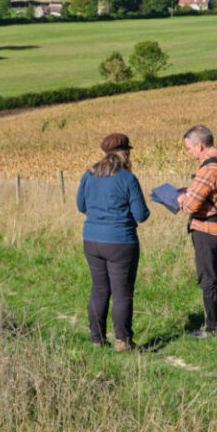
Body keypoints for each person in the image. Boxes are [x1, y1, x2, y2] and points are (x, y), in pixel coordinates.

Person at [76, 132, 150, 351]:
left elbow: (81, 206)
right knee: (122, 293)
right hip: (121, 242)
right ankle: (123, 340)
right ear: (125, 152)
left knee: (99, 289)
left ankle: (97, 338)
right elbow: (141, 215)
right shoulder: (128, 178)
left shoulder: (89, 175)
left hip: (91, 239)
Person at [177, 124, 217, 339]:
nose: (189, 152)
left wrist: (182, 199)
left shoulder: (208, 169)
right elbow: (214, 193)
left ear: (199, 146)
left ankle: (212, 328)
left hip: (207, 230)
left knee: (208, 278)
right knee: (213, 275)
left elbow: (191, 207)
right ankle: (215, 320)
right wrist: (192, 192)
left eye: (189, 148)